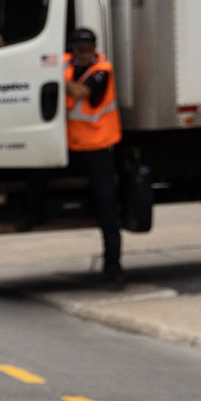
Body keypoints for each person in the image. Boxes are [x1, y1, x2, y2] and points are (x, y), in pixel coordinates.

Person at [64, 26, 123, 280]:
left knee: (106, 206)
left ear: (95, 49)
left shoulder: (102, 70)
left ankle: (113, 264)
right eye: (80, 49)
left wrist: (53, 79)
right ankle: (31, 216)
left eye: (89, 49)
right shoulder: (66, 63)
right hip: (72, 145)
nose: (85, 54)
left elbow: (80, 92)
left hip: (98, 148)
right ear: (73, 50)